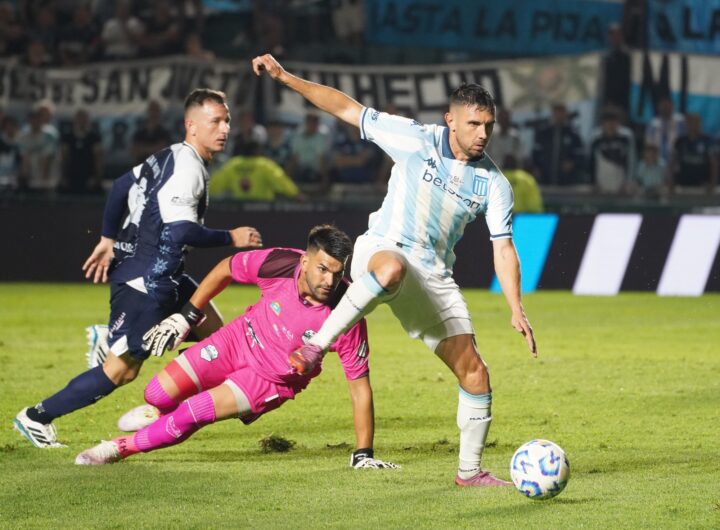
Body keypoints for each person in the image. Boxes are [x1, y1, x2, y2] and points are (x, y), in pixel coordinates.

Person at [251, 54, 537, 487]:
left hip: (434, 275)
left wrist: (516, 307)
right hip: (382, 248)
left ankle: (470, 473)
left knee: (475, 373)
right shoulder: (415, 138)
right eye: (474, 124)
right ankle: (316, 346)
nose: (483, 134)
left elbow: (504, 248)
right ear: (450, 120)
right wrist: (286, 78)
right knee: (391, 268)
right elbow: (347, 108)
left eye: (489, 126)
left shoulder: (494, 184)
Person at [13, 88, 262, 449]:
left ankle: (154, 385)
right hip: (148, 282)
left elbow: (120, 186)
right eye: (215, 121)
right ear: (191, 125)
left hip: (164, 273)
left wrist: (107, 238)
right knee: (121, 372)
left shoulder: (169, 155)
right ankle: (37, 416)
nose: (224, 128)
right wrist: (231, 236)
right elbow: (180, 231)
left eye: (226, 120)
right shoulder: (188, 169)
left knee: (214, 337)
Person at [75, 225, 398, 470]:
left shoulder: (347, 312)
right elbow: (227, 267)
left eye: (337, 274)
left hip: (268, 379)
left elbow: (360, 388)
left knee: (192, 412)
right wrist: (188, 316)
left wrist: (363, 453)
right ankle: (160, 415)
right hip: (237, 340)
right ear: (305, 260)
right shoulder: (279, 263)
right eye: (323, 269)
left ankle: (117, 448)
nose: (329, 281)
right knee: (157, 394)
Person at [531, 102, 585, 186]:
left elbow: (580, 155)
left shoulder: (573, 134)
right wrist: (536, 168)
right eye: (557, 111)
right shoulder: (543, 133)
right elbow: (535, 153)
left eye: (562, 111)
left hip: (566, 181)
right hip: (545, 179)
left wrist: (572, 163)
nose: (559, 114)